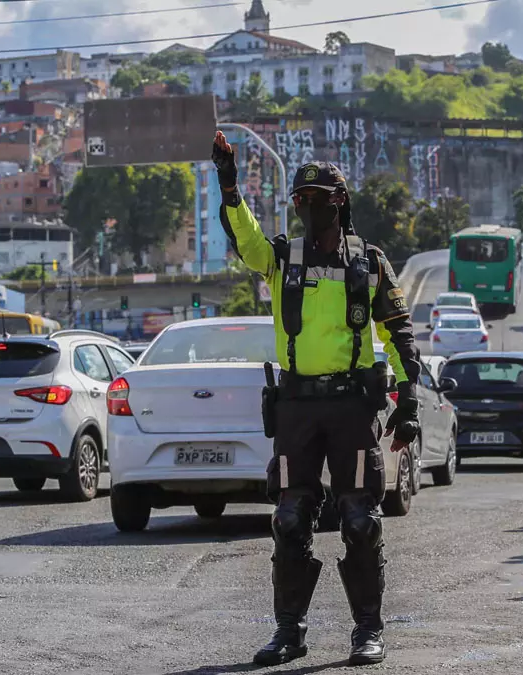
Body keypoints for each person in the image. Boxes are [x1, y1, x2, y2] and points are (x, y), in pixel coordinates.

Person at [211, 132, 421, 667]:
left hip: (353, 406)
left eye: (319, 200)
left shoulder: (368, 261)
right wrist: (228, 181)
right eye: (300, 202)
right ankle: (288, 633)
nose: (309, 209)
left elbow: (399, 333)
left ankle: (367, 631)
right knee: (289, 518)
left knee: (360, 520)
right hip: (297, 408)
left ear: (340, 202)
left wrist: (409, 399)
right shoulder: (280, 257)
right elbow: (246, 236)